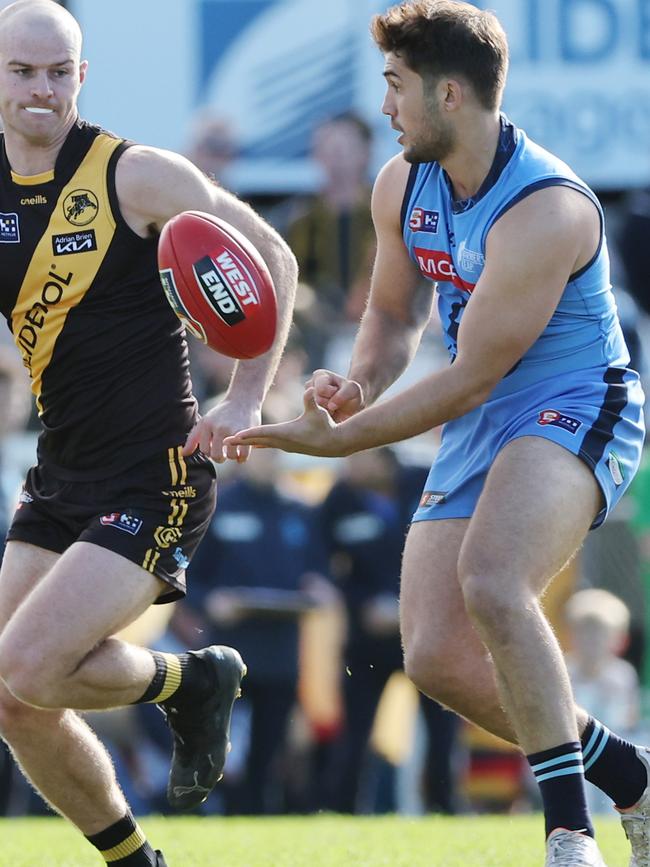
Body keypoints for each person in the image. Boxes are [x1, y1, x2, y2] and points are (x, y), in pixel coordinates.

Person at [226, 2, 648, 864]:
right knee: (437, 656)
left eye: (395, 87)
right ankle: (634, 776)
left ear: (449, 93)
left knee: (494, 582)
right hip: (484, 412)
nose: (385, 108)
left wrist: (344, 442)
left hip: (574, 401)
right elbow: (391, 311)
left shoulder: (547, 208)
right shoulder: (402, 182)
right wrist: (358, 383)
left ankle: (570, 834)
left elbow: (472, 376)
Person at [0, 2, 297, 866]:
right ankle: (137, 859)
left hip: (157, 476)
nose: (41, 89)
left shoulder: (133, 174)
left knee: (28, 664)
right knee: (12, 696)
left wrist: (244, 398)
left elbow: (272, 256)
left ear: (82, 77)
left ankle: (191, 677)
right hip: (61, 473)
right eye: (22, 71)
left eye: (58, 71)